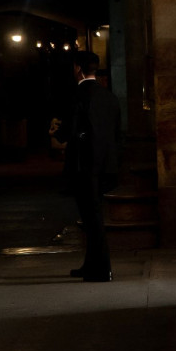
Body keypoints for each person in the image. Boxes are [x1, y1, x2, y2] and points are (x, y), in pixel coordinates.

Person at [59, 50, 120, 282]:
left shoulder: (78, 95)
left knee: (91, 218)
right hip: (105, 165)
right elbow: (116, 133)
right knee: (93, 216)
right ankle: (91, 264)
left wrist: (58, 133)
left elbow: (70, 130)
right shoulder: (109, 97)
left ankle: (102, 268)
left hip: (84, 165)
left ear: (78, 69)